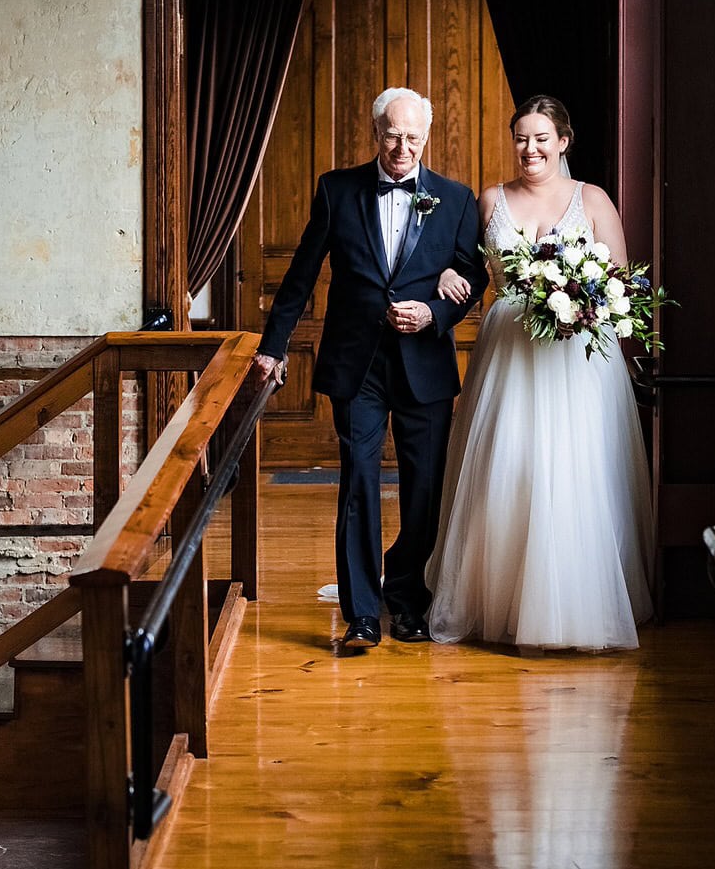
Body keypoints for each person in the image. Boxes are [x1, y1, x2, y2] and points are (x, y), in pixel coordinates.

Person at [252, 87, 487, 651]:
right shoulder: (337, 190)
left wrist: (435, 309)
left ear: (425, 137)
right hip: (355, 363)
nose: (402, 147)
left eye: (413, 137)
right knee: (357, 481)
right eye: (392, 134)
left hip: (424, 363)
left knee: (423, 489)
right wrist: (273, 346)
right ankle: (360, 614)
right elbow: (302, 276)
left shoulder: (455, 199)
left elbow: (473, 277)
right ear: (374, 132)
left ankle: (406, 601)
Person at [424, 95, 654, 651]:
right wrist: (442, 282)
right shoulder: (490, 201)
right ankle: (501, 600)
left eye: (541, 139)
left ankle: (581, 606)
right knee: (512, 468)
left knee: (579, 473)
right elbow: (467, 270)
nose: (530, 149)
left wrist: (588, 306)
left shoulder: (592, 199)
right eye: (522, 139)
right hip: (510, 355)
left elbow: (621, 282)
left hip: (578, 360)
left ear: (563, 142)